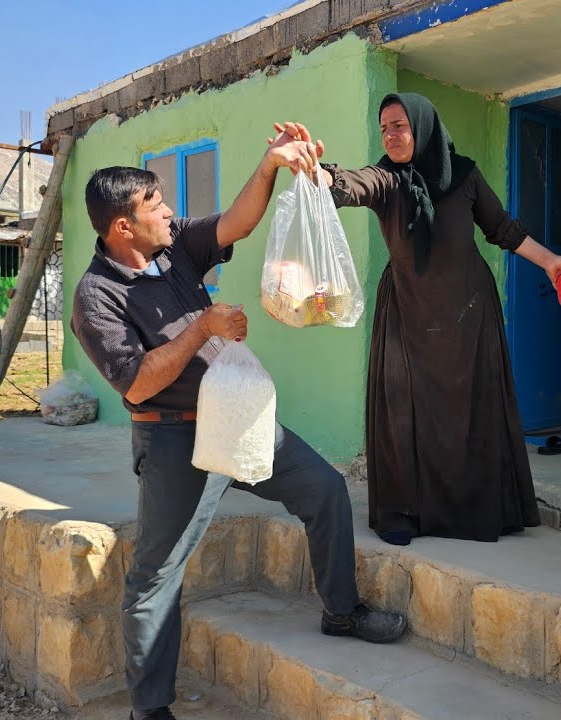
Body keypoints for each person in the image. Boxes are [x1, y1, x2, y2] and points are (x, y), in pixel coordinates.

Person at [70, 126, 407, 720]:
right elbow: (136, 382)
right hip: (173, 437)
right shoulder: (97, 296)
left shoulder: (174, 250)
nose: (170, 212)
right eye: (155, 206)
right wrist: (203, 328)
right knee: (156, 578)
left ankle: (341, 610)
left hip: (237, 417)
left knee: (325, 490)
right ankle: (149, 710)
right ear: (122, 227)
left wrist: (271, 164)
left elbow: (238, 223)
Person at [297, 93, 561, 546]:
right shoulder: (387, 178)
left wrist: (548, 261)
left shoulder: (463, 175)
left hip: (469, 313)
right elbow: (351, 184)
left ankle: (478, 511)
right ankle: (403, 514)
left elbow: (501, 227)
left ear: (423, 126)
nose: (391, 135)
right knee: (402, 411)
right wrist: (318, 173)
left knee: (472, 412)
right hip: (407, 312)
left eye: (400, 126)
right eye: (384, 127)